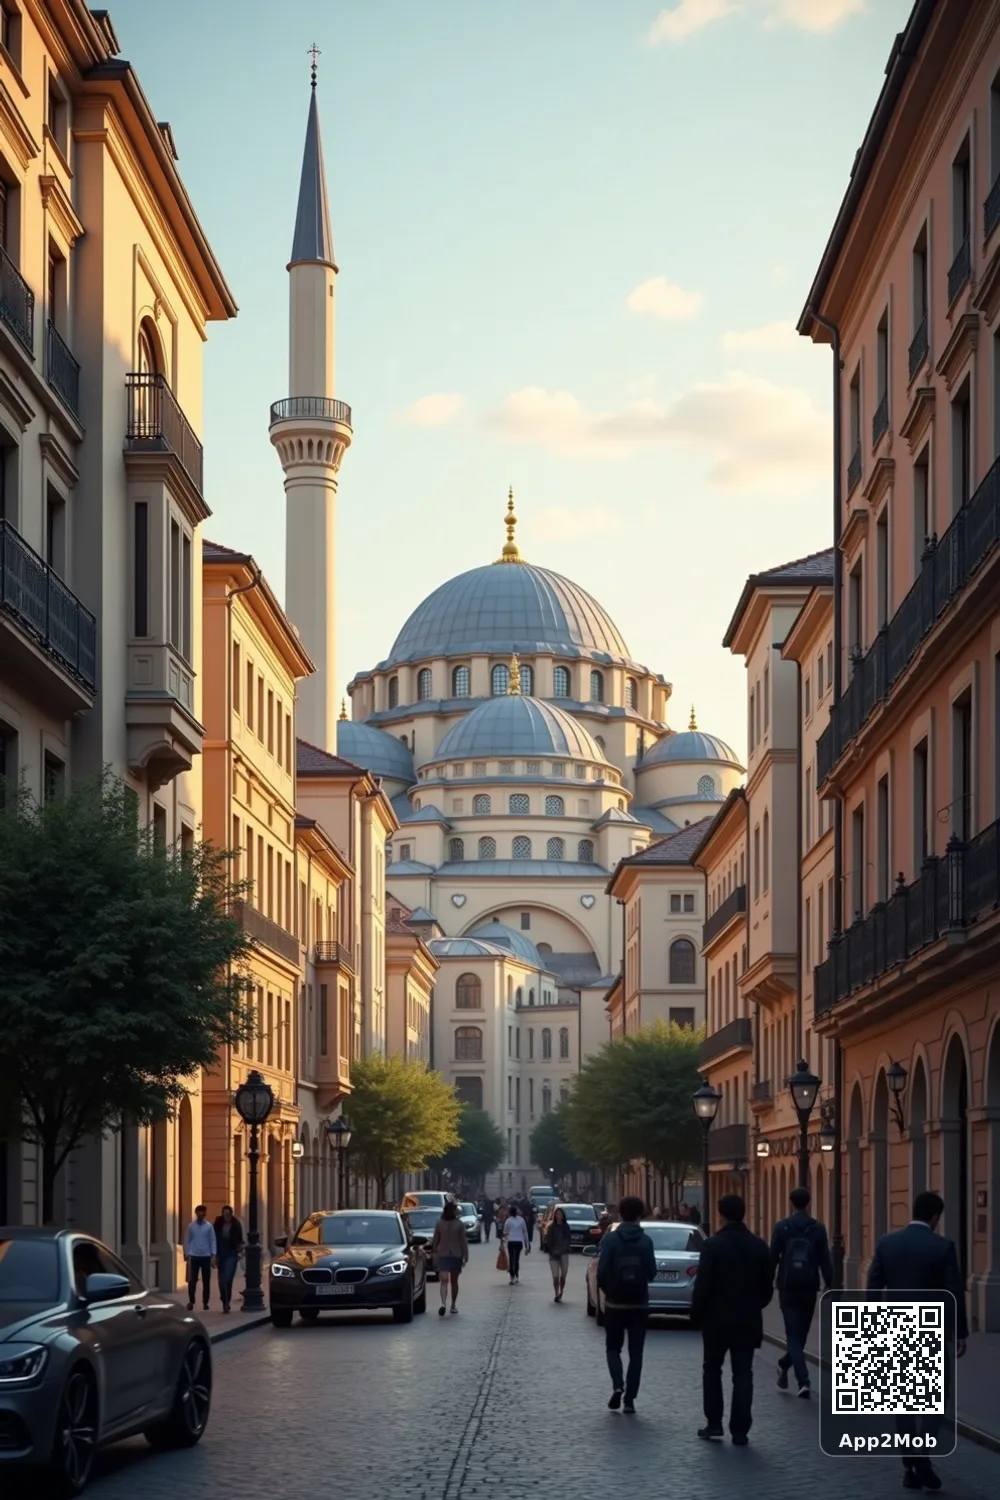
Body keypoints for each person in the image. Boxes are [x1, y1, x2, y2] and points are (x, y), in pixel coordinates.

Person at [867, 1189, 968, 1493]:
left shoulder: (887, 1243)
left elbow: (874, 1288)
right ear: (936, 1216)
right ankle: (922, 1452)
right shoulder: (943, 1247)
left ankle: (910, 1465)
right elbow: (953, 1294)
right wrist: (960, 1332)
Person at [690, 1193, 773, 1445]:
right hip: (748, 1319)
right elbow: (767, 1287)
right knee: (743, 1374)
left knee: (712, 1369)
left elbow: (703, 1283)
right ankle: (740, 1430)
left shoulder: (713, 1245)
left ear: (721, 1214)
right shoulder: (759, 1245)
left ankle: (714, 1423)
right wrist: (754, 1305)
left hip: (716, 1319)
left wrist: (697, 1313)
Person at [770, 1185, 833, 1399]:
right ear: (809, 1204)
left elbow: (772, 1257)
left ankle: (784, 1364)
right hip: (809, 1285)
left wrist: (767, 1282)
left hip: (787, 1286)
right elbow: (825, 1258)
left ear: (791, 1203)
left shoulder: (781, 1228)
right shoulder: (818, 1229)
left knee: (795, 1337)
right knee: (800, 1335)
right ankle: (803, 1380)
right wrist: (830, 1284)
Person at [597, 1196, 657, 1413]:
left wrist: (607, 1290)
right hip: (639, 1304)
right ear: (640, 1215)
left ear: (621, 1214)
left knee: (613, 1348)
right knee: (636, 1352)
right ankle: (630, 1400)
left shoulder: (612, 1240)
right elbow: (652, 1272)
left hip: (615, 1303)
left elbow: (602, 1270)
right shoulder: (646, 1241)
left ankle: (617, 1385)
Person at [431, 1199, 469, 1315]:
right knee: (454, 1281)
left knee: (444, 1281)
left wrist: (434, 1251)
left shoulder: (439, 1223)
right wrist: (465, 1255)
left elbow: (435, 1240)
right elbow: (463, 1241)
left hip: (443, 1254)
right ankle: (452, 1304)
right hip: (456, 1255)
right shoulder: (459, 1224)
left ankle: (443, 1303)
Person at [183, 1204, 217, 1312]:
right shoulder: (191, 1226)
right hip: (193, 1256)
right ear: (196, 1213)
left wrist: (213, 1254)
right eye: (198, 1212)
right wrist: (187, 1253)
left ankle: (205, 1302)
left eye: (202, 1212)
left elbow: (213, 1240)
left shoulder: (209, 1226)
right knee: (192, 1280)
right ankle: (191, 1300)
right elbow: (187, 1240)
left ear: (205, 1214)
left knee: (206, 1281)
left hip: (206, 1256)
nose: (200, 1214)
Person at [213, 1205, 245, 1313]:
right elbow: (213, 1239)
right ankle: (224, 1301)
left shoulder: (236, 1224)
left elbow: (241, 1240)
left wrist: (240, 1250)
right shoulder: (218, 1223)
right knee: (221, 1281)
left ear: (231, 1214)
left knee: (227, 1279)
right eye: (224, 1213)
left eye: (228, 1214)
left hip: (231, 1254)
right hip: (220, 1254)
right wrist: (213, 1255)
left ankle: (227, 1303)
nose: (226, 1216)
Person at [544, 1206, 572, 1302]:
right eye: (557, 1214)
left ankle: (561, 1290)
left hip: (564, 1253)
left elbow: (568, 1239)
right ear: (554, 1216)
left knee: (563, 1275)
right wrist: (552, 1251)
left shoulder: (566, 1226)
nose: (558, 1216)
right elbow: (548, 1240)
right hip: (553, 1255)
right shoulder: (551, 1227)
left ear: (563, 1216)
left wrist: (563, 1249)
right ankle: (556, 1293)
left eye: (560, 1214)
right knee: (555, 1276)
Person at [503, 1202, 528, 1283]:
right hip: (519, 1242)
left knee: (511, 1259)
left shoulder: (508, 1221)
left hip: (511, 1241)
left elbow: (505, 1232)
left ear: (510, 1212)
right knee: (517, 1259)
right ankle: (517, 1275)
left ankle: (512, 1276)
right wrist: (527, 1244)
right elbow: (525, 1232)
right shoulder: (521, 1220)